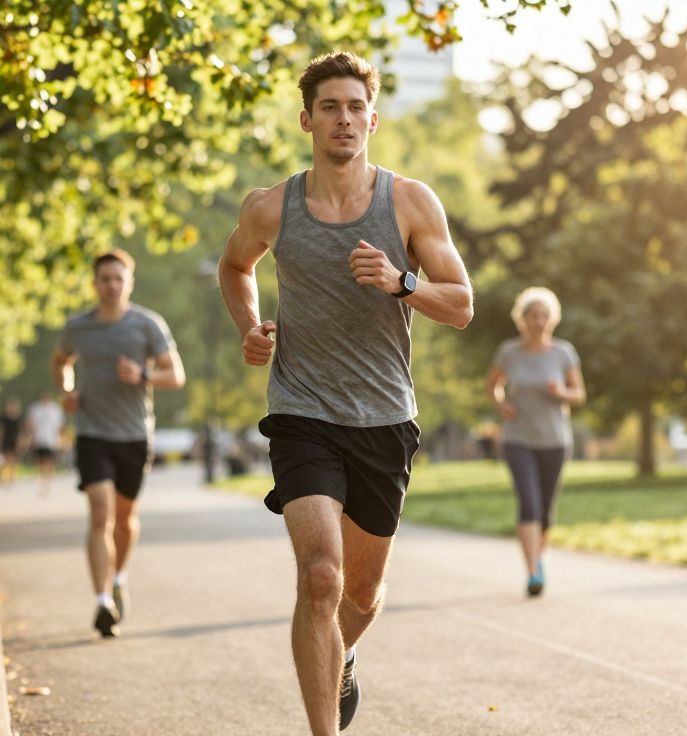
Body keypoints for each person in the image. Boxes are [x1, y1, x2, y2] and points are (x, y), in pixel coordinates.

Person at [217, 51, 473, 734]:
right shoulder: (272, 207)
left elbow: (463, 304)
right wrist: (251, 327)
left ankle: (343, 655)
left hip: (386, 417)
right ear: (306, 119)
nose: (344, 118)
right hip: (302, 410)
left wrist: (402, 282)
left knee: (360, 593)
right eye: (330, 106)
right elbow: (235, 266)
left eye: (356, 107)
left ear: (374, 120)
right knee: (323, 578)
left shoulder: (411, 202)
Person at [51, 249, 186, 638]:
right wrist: (67, 391)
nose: (111, 285)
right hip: (92, 433)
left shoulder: (147, 325)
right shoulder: (78, 327)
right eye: (104, 278)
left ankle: (119, 578)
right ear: (95, 283)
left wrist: (142, 374)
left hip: (134, 434)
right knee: (100, 514)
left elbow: (175, 376)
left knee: (125, 519)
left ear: (129, 283)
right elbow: (60, 361)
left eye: (118, 278)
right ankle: (101, 602)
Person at [485, 286, 586, 597]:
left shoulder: (563, 352)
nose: (539, 321)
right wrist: (500, 404)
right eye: (533, 315)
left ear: (551, 319)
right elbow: (493, 386)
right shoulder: (509, 352)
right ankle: (532, 572)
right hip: (518, 439)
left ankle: (538, 559)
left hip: (555, 440)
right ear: (523, 319)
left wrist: (561, 393)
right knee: (528, 503)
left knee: (545, 511)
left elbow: (579, 394)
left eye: (544, 316)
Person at [25, 392, 65, 495]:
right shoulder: (35, 409)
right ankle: (42, 480)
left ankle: (48, 481)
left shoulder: (56, 409)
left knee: (50, 462)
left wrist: (61, 440)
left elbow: (60, 426)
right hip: (39, 440)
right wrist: (31, 438)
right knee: (40, 462)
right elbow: (31, 424)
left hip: (52, 441)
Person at [0, 398, 24, 486]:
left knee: (14, 460)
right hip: (5, 440)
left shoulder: (18, 418)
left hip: (15, 441)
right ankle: (2, 476)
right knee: (5, 459)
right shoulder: (3, 418)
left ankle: (11, 477)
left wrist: (21, 441)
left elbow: (21, 431)